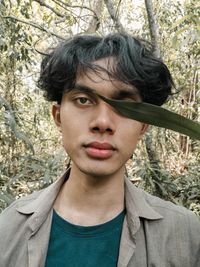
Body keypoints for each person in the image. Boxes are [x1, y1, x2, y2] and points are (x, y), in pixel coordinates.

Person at [0, 33, 199, 267]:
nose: (102, 122)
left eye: (124, 105)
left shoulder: (184, 235)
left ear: (143, 124)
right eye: (83, 100)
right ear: (58, 117)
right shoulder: (8, 229)